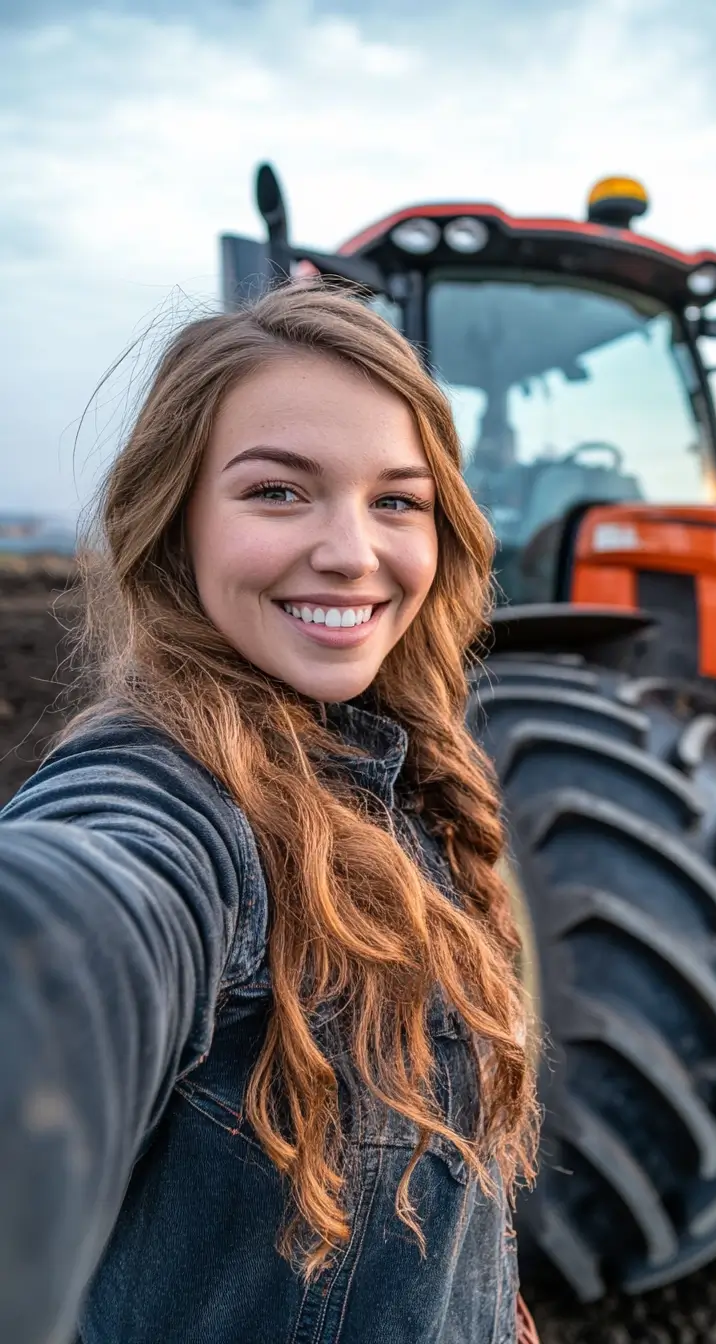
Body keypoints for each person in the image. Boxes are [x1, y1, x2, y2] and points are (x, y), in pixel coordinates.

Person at [0, 284, 542, 1343]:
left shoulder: (394, 775)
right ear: (176, 522)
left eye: (397, 501)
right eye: (280, 492)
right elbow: (79, 916)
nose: (352, 551)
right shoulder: (171, 802)